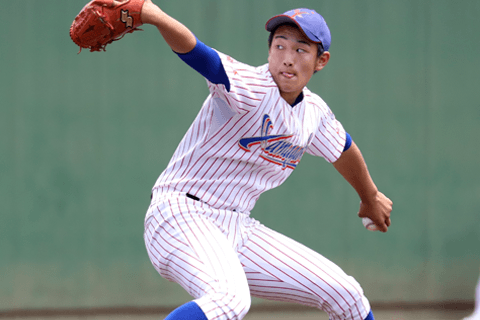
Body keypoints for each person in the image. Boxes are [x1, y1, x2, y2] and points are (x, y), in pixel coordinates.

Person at [139, 0, 393, 319]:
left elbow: (344, 150)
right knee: (229, 299)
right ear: (269, 51)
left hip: (236, 225)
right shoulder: (251, 86)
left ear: (321, 60)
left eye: (301, 50)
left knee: (347, 294)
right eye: (279, 46)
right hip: (180, 213)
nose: (287, 58)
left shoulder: (313, 114)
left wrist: (369, 197)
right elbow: (197, 54)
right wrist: (153, 15)